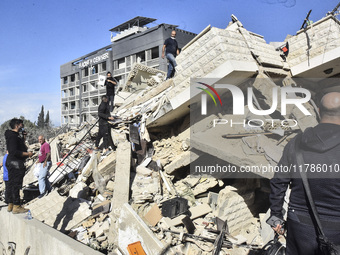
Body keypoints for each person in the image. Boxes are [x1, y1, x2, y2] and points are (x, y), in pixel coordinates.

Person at [269, 92, 340, 254]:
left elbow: (279, 181)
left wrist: (276, 215)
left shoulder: (296, 142)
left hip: (299, 225)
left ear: (318, 111)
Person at [5, 118, 33, 214]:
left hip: (12, 162)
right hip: (15, 163)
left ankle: (11, 203)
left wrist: (23, 138)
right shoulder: (13, 137)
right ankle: (16, 206)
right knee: (15, 184)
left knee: (12, 183)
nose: (23, 126)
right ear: (17, 125)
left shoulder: (15, 136)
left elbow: (21, 147)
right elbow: (14, 151)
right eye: (21, 125)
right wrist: (27, 154)